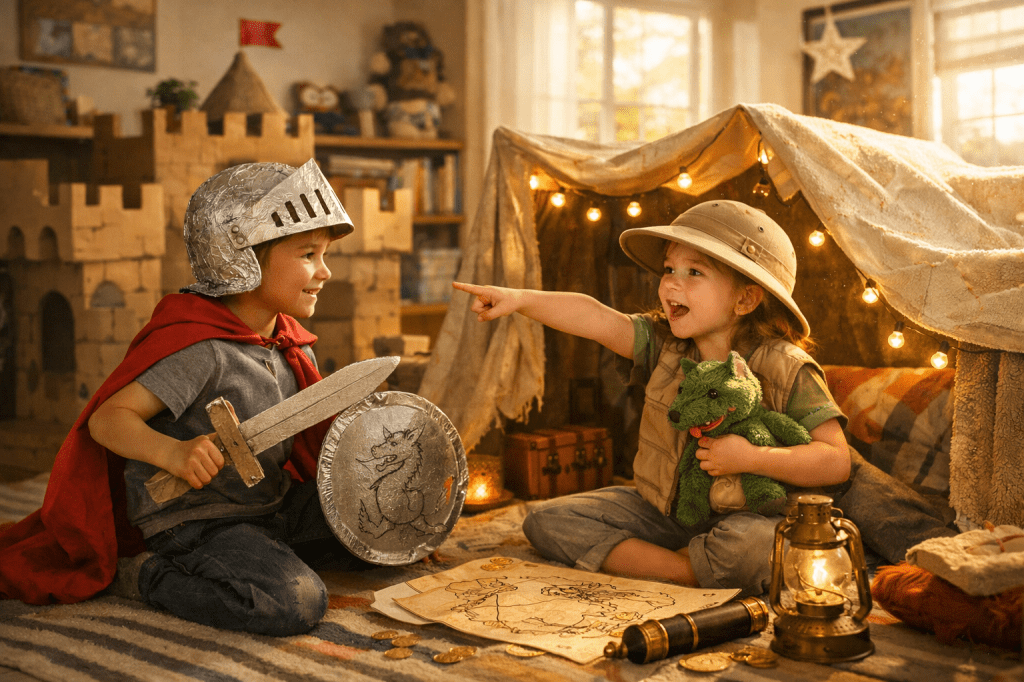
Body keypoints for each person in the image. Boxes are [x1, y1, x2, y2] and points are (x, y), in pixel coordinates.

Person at [0, 159, 369, 635]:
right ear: (243, 257)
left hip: (269, 502)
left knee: (373, 525)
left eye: (324, 255)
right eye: (307, 254)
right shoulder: (202, 350)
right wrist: (171, 452)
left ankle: (270, 550)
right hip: (198, 520)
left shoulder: (288, 344)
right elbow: (108, 420)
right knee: (294, 602)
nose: (325, 272)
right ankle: (145, 576)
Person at [453, 200, 851, 597]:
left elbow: (835, 461)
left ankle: (687, 562)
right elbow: (594, 317)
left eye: (694, 272)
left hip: (748, 518)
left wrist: (752, 458)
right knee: (547, 521)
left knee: (759, 545)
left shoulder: (788, 367)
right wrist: (521, 299)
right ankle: (685, 569)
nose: (671, 285)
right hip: (665, 512)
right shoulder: (665, 345)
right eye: (668, 270)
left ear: (745, 299)